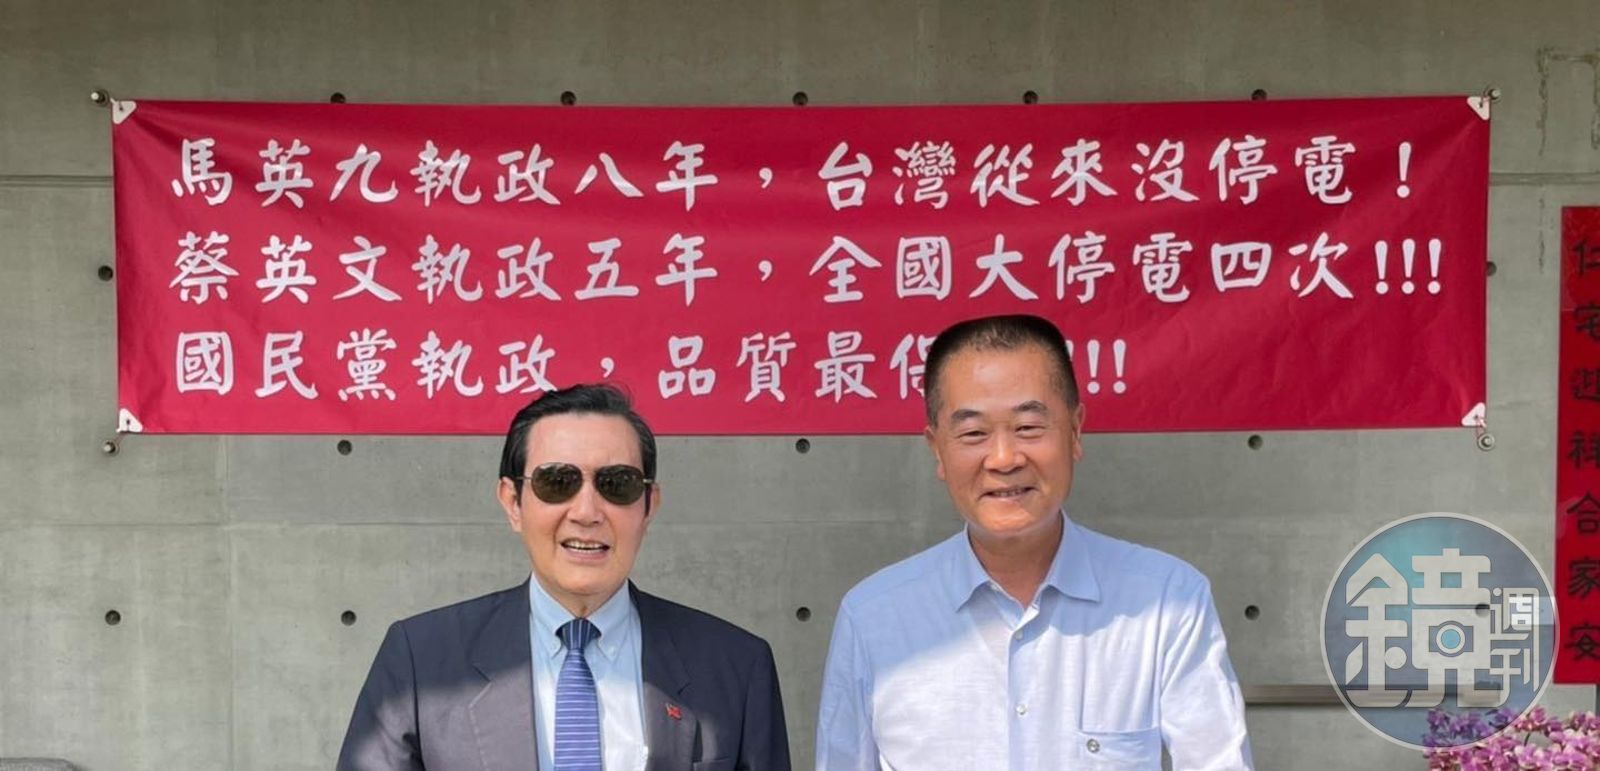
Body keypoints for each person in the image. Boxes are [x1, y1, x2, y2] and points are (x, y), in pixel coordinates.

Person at [815, 314, 1252, 770]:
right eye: (973, 434)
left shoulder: (1166, 601)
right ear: (937, 449)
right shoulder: (873, 617)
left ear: (1075, 431)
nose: (1004, 459)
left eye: (1028, 427)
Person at [339, 384, 791, 770]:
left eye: (616, 484)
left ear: (649, 505)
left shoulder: (736, 666)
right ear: (513, 502)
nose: (587, 512)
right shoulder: (422, 660)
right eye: (558, 482)